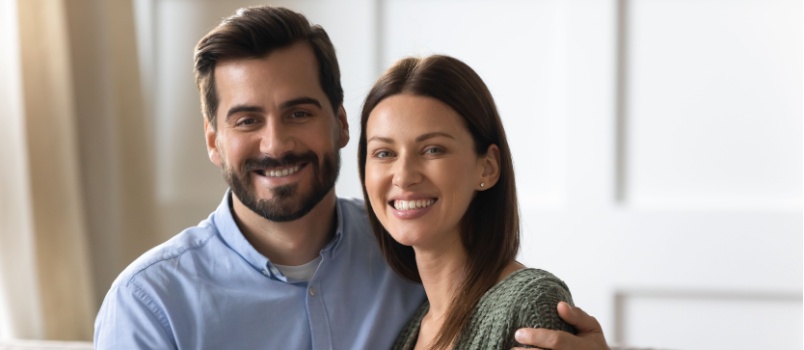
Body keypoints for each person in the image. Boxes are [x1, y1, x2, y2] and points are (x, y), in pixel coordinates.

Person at [93, 5, 610, 350]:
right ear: (213, 140)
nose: (275, 145)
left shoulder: (407, 248)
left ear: (340, 123)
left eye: (298, 113)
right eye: (247, 120)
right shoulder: (151, 305)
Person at [358, 54, 575, 349]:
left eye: (432, 149)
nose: (404, 176)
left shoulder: (530, 303)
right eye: (384, 153)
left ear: (487, 167)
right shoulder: (412, 328)